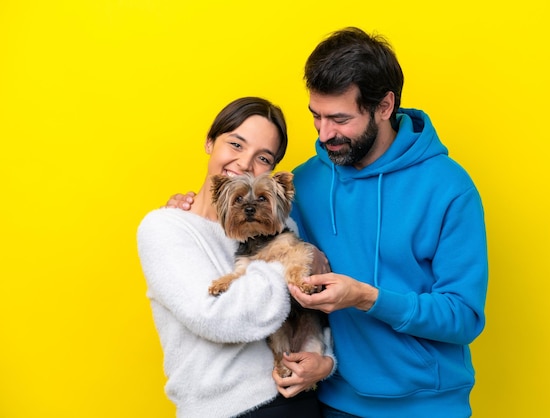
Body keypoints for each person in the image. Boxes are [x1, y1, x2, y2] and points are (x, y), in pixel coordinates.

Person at [169, 27, 488, 417]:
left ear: (384, 106)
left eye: (339, 118)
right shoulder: (304, 182)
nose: (324, 133)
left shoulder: (449, 188)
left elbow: (463, 317)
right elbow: (256, 234)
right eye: (316, 116)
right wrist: (193, 208)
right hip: (330, 401)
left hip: (426, 406)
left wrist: (367, 298)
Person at [138, 96, 335, 418]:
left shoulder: (282, 224)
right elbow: (214, 317)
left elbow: (312, 307)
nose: (244, 164)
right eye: (236, 144)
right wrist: (292, 261)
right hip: (225, 410)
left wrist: (324, 362)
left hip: (299, 398)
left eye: (263, 158)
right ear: (209, 141)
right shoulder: (165, 228)